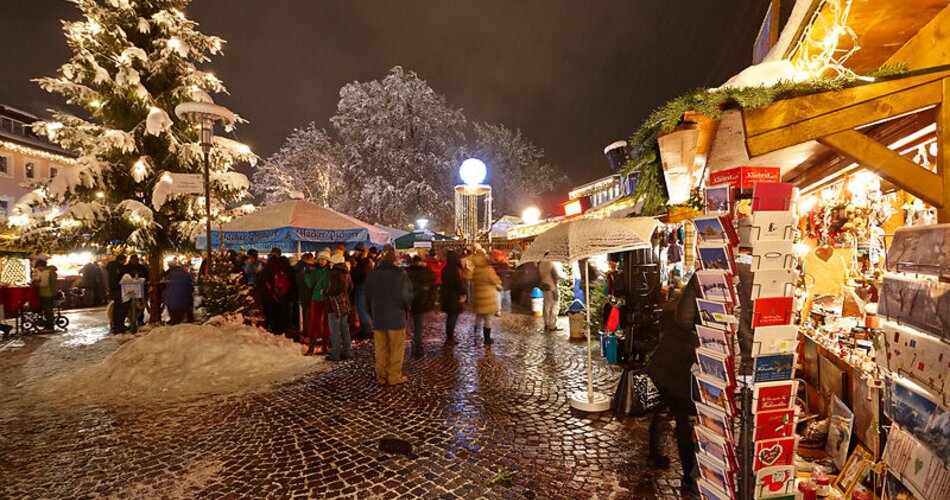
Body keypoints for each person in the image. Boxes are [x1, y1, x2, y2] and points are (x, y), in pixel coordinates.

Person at [647, 275, 700, 498]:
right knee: (682, 419)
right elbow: (685, 319)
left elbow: (684, 316)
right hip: (680, 364)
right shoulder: (703, 277)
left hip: (672, 362)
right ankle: (688, 476)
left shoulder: (703, 275)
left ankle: (656, 456)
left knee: (666, 411)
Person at [364, 245, 411, 385]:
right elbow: (407, 296)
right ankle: (394, 376)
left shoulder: (372, 274)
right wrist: (406, 307)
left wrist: (372, 311)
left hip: (378, 316)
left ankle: (382, 376)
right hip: (396, 317)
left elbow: (367, 296)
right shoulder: (400, 274)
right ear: (394, 257)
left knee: (380, 348)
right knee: (396, 348)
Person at [324, 253, 353, 361]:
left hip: (334, 306)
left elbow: (333, 290)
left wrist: (325, 292)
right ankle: (347, 352)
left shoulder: (334, 273)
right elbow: (351, 287)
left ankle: (335, 354)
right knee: (345, 329)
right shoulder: (347, 273)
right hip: (345, 304)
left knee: (335, 330)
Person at [406, 254, 436, 357]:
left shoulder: (408, 272)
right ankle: (417, 343)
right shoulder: (425, 271)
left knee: (415, 323)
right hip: (422, 300)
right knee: (418, 323)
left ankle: (415, 341)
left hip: (411, 300)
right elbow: (433, 278)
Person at [470, 252, 502, 345]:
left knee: (479, 316)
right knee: (487, 318)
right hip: (487, 297)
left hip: (478, 296)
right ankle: (487, 339)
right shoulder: (488, 270)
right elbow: (495, 280)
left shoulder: (476, 270)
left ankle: (475, 333)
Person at [304, 249, 331, 355]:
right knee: (315, 323)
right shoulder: (314, 271)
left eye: (324, 260)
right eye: (320, 259)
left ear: (328, 261)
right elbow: (310, 284)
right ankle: (311, 348)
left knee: (326, 324)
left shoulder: (331, 271)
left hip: (327, 299)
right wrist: (307, 274)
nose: (321, 261)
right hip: (316, 298)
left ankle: (325, 347)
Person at [260, 255, 293, 335]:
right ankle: (280, 329)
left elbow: (261, 282)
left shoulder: (266, 270)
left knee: (270, 313)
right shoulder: (285, 270)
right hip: (282, 296)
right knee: (281, 313)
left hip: (269, 296)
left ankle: (270, 327)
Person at [439, 251, 466, 346]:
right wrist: (464, 292)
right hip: (454, 297)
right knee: (453, 316)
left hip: (446, 296)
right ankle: (450, 336)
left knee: (450, 316)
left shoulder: (445, 269)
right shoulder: (455, 269)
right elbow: (458, 284)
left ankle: (449, 335)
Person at [351, 243, 375, 337]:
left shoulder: (365, 261)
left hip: (362, 287)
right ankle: (366, 329)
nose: (355, 252)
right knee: (363, 309)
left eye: (357, 251)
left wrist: (353, 270)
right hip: (365, 287)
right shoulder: (366, 261)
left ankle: (369, 330)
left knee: (362, 309)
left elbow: (360, 274)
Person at [162, 259, 194, 325]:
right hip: (184, 300)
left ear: (169, 266)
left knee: (175, 317)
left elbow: (165, 285)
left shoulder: (169, 274)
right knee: (180, 314)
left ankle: (174, 323)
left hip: (172, 300)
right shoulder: (184, 272)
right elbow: (190, 286)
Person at [538, 260, 565, 331]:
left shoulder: (541, 263)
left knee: (546, 305)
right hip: (553, 287)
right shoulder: (552, 262)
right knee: (555, 306)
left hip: (545, 286)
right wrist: (563, 275)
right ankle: (552, 325)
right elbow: (557, 276)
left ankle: (546, 324)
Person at [31, 259, 57, 333]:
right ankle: (49, 326)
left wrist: (35, 282)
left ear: (40, 266)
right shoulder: (50, 271)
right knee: (48, 311)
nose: (37, 269)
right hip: (50, 293)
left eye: (38, 267)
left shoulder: (46, 272)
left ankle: (49, 327)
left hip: (46, 293)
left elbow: (43, 284)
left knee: (48, 311)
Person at [295, 253, 315, 343]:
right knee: (308, 316)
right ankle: (307, 335)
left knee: (305, 314)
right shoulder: (307, 269)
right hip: (309, 294)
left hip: (302, 294)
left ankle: (305, 334)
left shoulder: (299, 268)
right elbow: (310, 284)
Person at [106, 255, 127, 333]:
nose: (125, 262)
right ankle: (117, 325)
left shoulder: (115, 267)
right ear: (121, 260)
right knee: (119, 308)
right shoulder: (115, 267)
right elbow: (115, 280)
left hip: (116, 290)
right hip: (117, 289)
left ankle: (119, 324)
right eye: (124, 260)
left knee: (120, 307)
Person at [491, 250, 511, 316]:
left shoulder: (503, 264)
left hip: (502, 282)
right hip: (502, 283)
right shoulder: (500, 264)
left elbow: (501, 271)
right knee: (504, 296)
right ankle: (505, 310)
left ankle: (505, 310)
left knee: (502, 296)